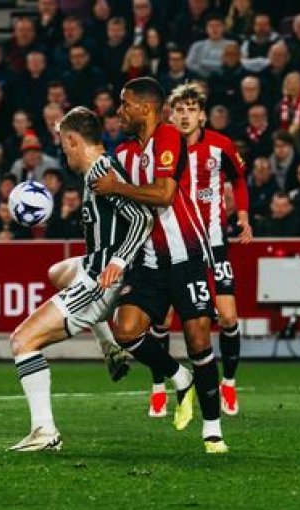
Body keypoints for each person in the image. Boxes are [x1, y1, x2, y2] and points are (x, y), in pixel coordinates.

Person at [93, 77, 228, 454]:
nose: (120, 111)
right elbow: (103, 181)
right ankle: (177, 375)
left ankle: (213, 429)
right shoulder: (123, 152)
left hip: (187, 257)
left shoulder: (168, 136)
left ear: (146, 108)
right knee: (126, 332)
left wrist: (116, 188)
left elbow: (165, 194)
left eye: (125, 104)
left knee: (199, 341)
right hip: (148, 260)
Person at [8, 106, 153, 452]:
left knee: (23, 341)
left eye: (63, 142)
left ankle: (45, 432)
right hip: (93, 269)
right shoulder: (95, 172)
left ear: (73, 140)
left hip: (98, 279)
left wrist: (118, 260)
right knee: (57, 273)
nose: (62, 150)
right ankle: (109, 345)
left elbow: (143, 219)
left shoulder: (102, 171)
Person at [146, 82, 251, 419]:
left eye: (192, 109)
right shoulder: (160, 147)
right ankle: (159, 386)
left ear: (203, 116)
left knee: (229, 317)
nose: (185, 115)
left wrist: (244, 217)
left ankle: (230, 384)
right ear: (170, 115)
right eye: (179, 109)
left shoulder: (220, 146)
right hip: (175, 246)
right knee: (162, 320)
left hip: (214, 243)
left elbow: (239, 178)